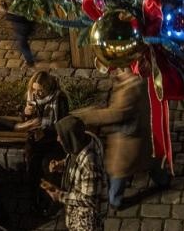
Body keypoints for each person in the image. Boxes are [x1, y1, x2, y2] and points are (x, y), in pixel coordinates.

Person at [73, 65, 169, 210]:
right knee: (152, 159)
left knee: (119, 170)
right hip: (144, 132)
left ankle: (115, 200)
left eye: (121, 69)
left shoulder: (130, 89)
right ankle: (163, 180)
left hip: (129, 139)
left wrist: (85, 116)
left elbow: (116, 113)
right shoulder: (142, 79)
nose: (117, 71)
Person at [46, 116, 107, 231]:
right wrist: (61, 164)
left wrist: (60, 196)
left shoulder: (90, 164)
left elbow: (89, 199)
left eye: (61, 136)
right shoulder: (78, 143)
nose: (58, 139)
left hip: (86, 221)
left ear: (70, 137)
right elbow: (75, 161)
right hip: (76, 212)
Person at [20, 70, 71, 194]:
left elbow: (62, 124)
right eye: (34, 89)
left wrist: (45, 132)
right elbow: (26, 122)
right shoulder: (32, 97)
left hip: (53, 140)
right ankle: (33, 196)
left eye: (40, 90)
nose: (37, 93)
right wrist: (26, 114)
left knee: (47, 166)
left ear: (48, 88)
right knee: (32, 166)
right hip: (35, 140)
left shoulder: (59, 98)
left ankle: (48, 196)